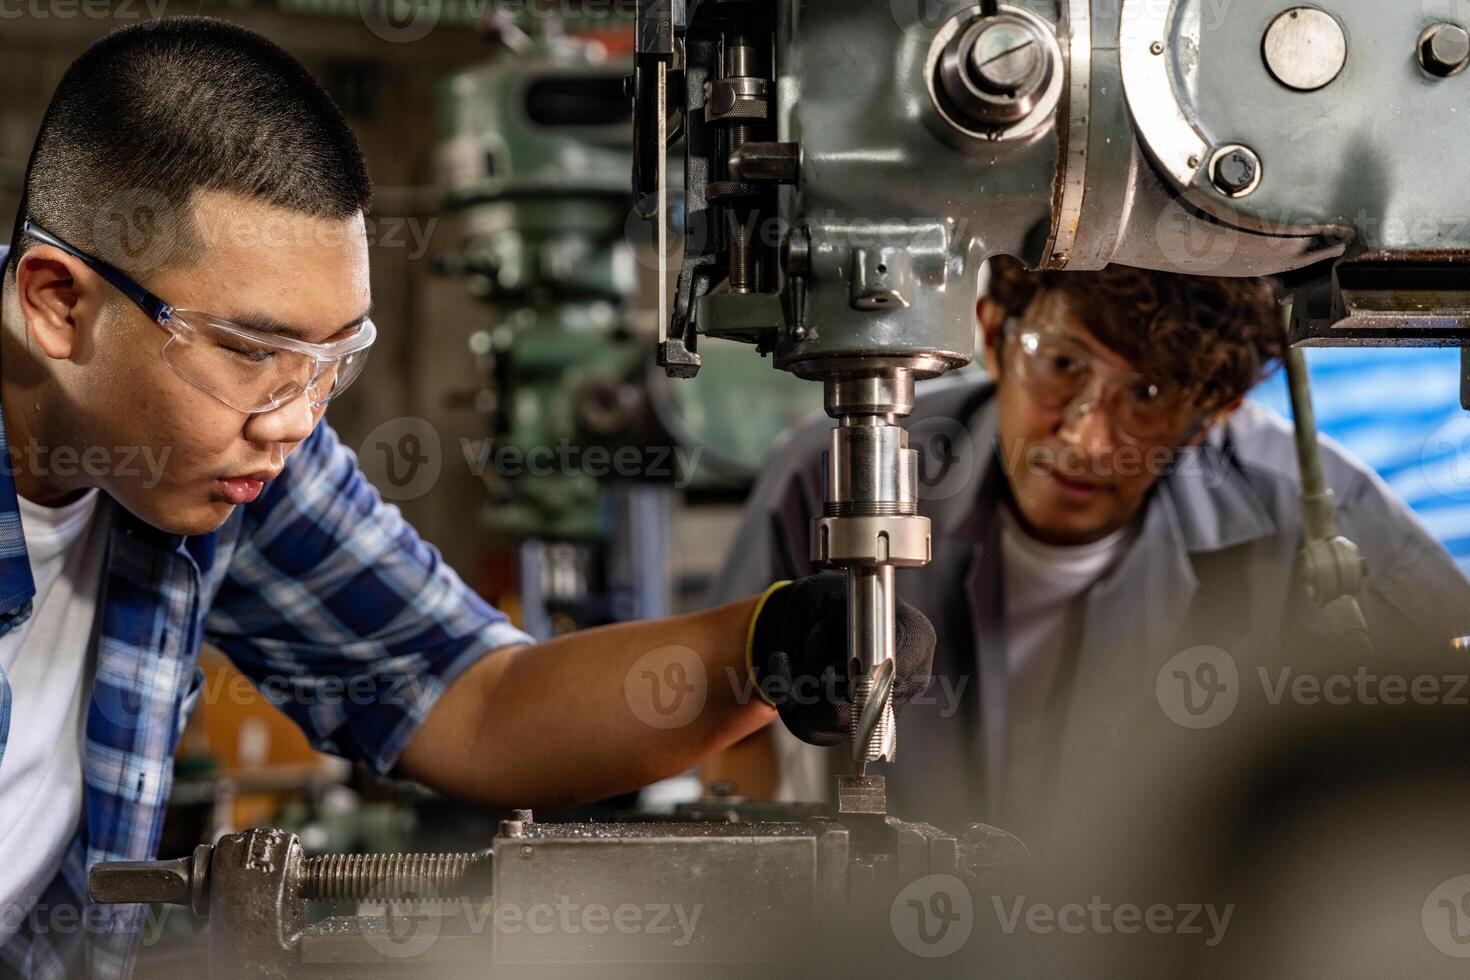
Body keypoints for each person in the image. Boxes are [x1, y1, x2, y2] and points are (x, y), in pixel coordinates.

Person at [0, 20, 934, 977]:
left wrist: (766, 648)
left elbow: (476, 702)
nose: (292, 420)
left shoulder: (231, 460)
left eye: (333, 364)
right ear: (58, 304)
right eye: (251, 354)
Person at [713, 256, 1470, 839]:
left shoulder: (1318, 517)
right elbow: (723, 727)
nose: (1083, 436)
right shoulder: (835, 475)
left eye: (1145, 396)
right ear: (992, 332)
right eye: (1063, 364)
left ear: (1214, 411)